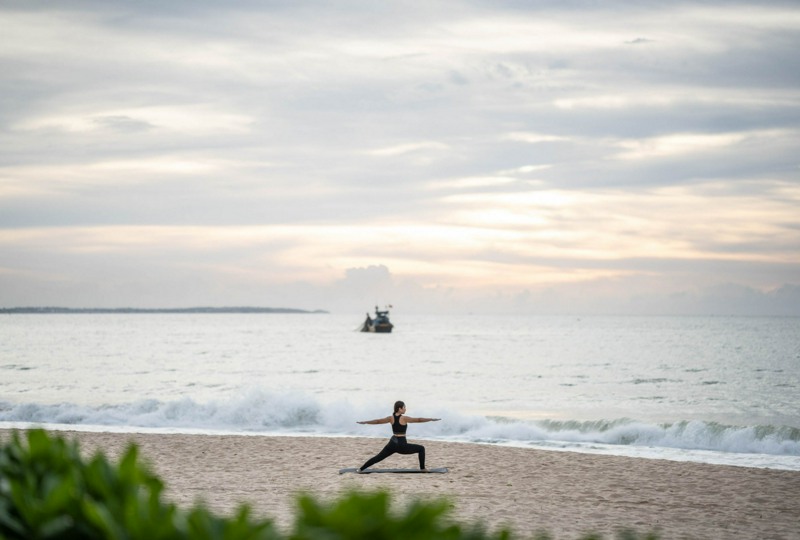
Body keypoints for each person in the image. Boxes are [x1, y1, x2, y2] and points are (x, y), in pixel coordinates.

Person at [356, 400, 440, 472]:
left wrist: (365, 422)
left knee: (377, 458)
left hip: (392, 444)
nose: (405, 409)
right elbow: (418, 420)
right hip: (401, 445)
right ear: (400, 409)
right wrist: (431, 419)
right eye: (404, 407)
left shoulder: (390, 418)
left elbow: (378, 421)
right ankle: (422, 468)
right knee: (421, 449)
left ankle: (361, 469)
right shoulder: (404, 418)